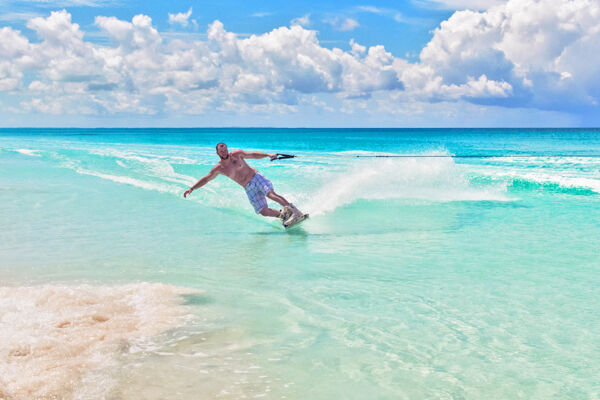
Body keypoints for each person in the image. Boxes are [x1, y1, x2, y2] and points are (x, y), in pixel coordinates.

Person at [183, 143, 302, 225]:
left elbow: (253, 155)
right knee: (263, 211)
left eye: (225, 149)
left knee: (271, 194)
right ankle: (284, 216)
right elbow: (206, 179)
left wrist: (268, 155)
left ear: (227, 149)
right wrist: (192, 188)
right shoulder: (219, 168)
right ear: (217, 153)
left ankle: (295, 211)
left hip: (256, 177)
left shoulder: (237, 155)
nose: (224, 151)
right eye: (221, 150)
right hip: (248, 188)